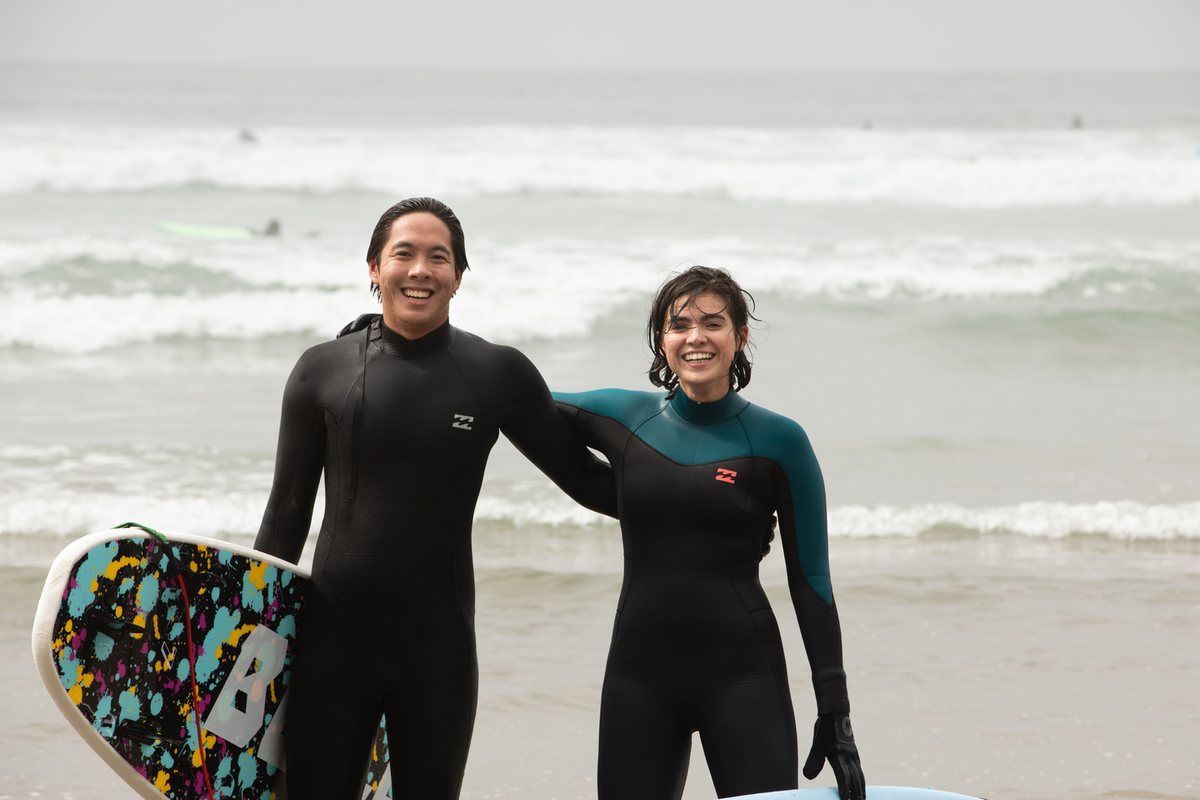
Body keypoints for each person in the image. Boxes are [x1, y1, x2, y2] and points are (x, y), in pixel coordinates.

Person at [253, 197, 617, 800]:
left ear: (459, 275)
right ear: (374, 267)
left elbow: (591, 483)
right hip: (330, 648)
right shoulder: (322, 370)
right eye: (404, 254)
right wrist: (249, 637)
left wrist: (701, 502)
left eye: (438, 257)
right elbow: (286, 514)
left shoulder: (496, 373)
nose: (420, 269)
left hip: (437, 654)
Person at [553, 266, 865, 800]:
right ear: (662, 341)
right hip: (638, 679)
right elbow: (512, 396)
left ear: (739, 337)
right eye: (679, 325)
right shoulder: (625, 417)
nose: (695, 337)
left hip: (744, 679)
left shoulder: (780, 441)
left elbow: (811, 581)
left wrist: (834, 710)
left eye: (712, 323)